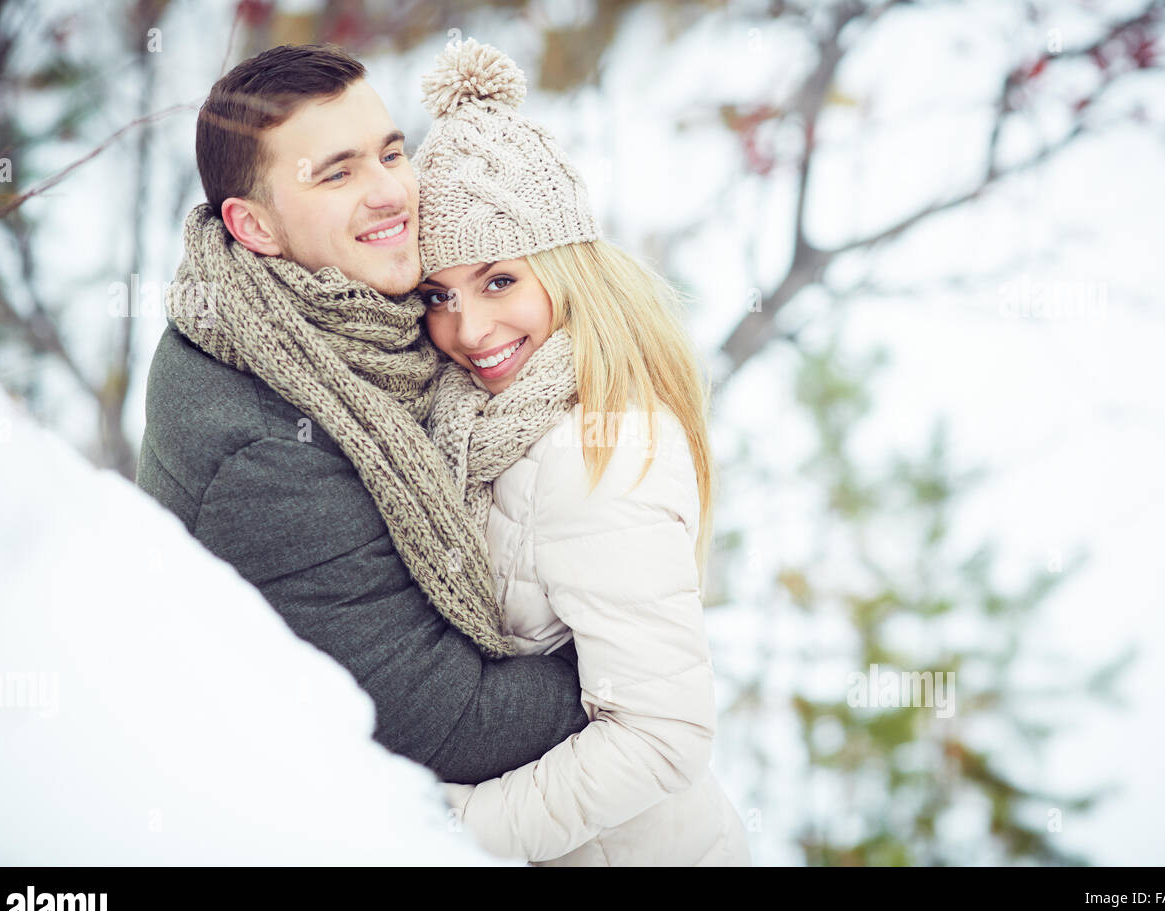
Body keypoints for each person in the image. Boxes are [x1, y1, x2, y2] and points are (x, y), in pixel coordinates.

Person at [135, 43, 589, 786]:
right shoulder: (257, 445)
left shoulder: (380, 315)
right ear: (253, 228)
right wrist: (624, 664)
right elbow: (446, 721)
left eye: (390, 154)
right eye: (338, 173)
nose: (391, 194)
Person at [414, 39, 751, 866]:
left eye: (500, 281)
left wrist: (446, 837)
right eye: (438, 295)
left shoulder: (598, 446)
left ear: (567, 271)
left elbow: (663, 737)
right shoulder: (482, 419)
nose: (469, 330)